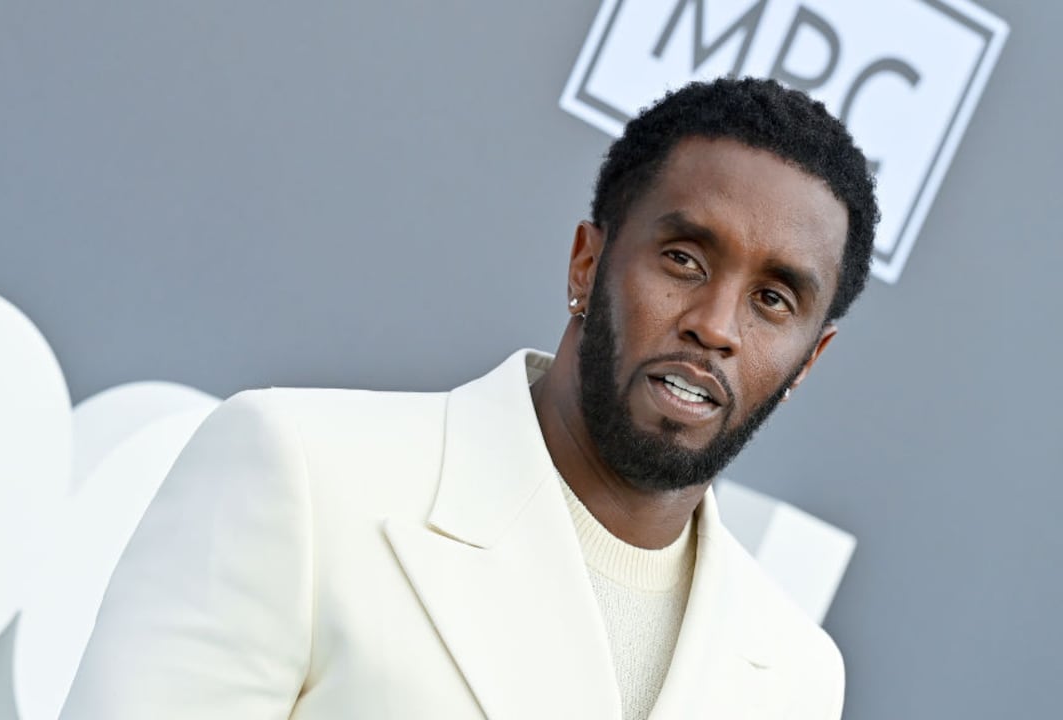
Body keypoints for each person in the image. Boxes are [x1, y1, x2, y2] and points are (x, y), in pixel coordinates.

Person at [61, 77, 879, 720]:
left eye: (774, 301)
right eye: (684, 260)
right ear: (586, 265)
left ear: (809, 359)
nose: (715, 326)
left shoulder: (795, 675)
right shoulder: (301, 473)